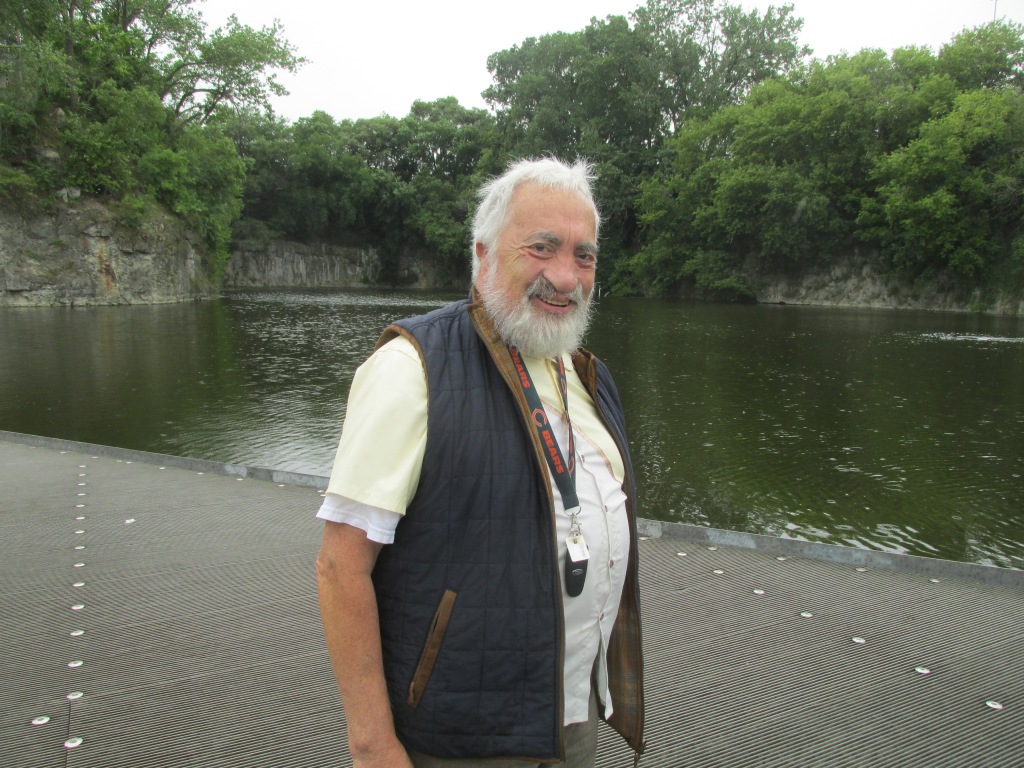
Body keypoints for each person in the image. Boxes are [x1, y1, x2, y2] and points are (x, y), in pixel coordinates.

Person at [315, 157, 645, 768]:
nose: (566, 276)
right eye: (542, 248)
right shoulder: (413, 367)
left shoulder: (588, 378)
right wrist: (373, 745)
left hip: (571, 716)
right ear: (485, 254)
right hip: (461, 737)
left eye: (584, 255)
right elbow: (340, 568)